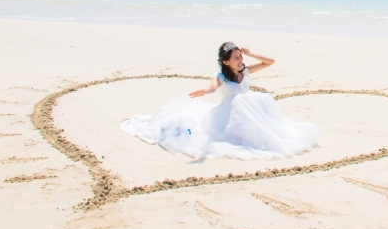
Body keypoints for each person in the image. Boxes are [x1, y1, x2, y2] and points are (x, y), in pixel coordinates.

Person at [121, 42, 320, 160]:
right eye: (236, 58)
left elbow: (270, 62)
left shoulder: (246, 70)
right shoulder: (220, 76)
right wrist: (205, 91)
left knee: (263, 113)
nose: (240, 60)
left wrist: (250, 54)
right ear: (226, 62)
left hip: (250, 111)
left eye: (240, 56)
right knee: (239, 116)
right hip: (230, 114)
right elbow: (213, 87)